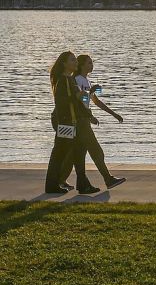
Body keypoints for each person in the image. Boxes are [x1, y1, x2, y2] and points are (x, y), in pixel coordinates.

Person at [58, 55, 125, 190]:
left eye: (92, 63)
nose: (91, 65)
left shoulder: (86, 81)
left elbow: (95, 101)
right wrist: (90, 115)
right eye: (89, 63)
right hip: (81, 121)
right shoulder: (77, 80)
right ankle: (108, 179)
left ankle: (61, 181)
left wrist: (114, 114)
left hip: (84, 120)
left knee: (76, 154)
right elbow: (79, 101)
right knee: (96, 151)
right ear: (82, 65)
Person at [44, 51, 99, 195]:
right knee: (60, 154)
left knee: (74, 152)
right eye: (72, 60)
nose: (75, 62)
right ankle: (52, 185)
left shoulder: (69, 79)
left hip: (71, 122)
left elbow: (79, 102)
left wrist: (89, 115)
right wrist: (78, 96)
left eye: (75, 60)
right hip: (65, 123)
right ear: (64, 64)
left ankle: (80, 184)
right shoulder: (63, 80)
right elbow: (62, 103)